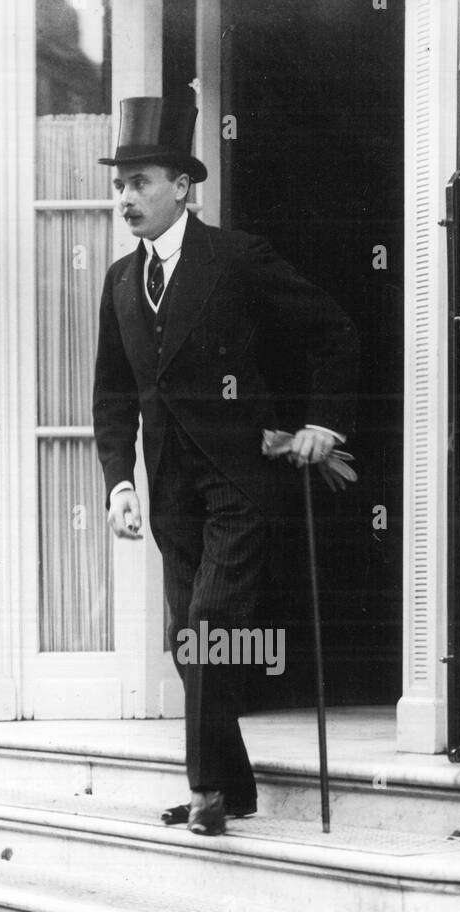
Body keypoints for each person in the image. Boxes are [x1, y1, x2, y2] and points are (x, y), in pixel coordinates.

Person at [93, 98, 358, 836]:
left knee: (209, 620)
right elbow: (113, 394)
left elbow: (333, 330)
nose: (125, 198)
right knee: (187, 639)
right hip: (171, 488)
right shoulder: (120, 280)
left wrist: (321, 424)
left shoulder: (237, 259)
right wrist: (120, 480)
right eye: (120, 185)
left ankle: (207, 790)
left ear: (182, 187)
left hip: (243, 477)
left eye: (140, 182)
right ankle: (234, 784)